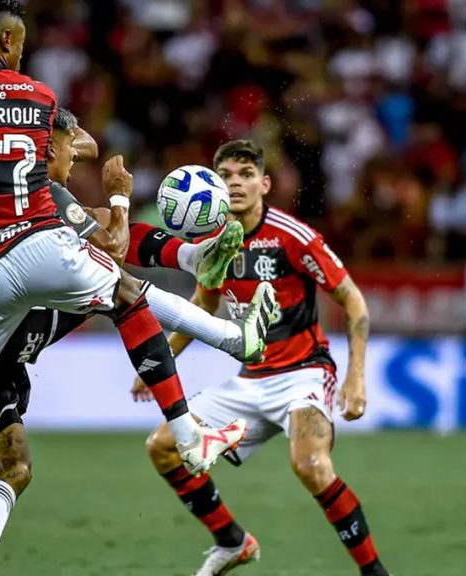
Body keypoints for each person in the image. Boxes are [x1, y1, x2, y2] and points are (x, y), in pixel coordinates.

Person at [0, 1, 252, 573]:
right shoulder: (39, 98)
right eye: (17, 41)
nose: (22, 49)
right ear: (5, 43)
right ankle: (199, 407)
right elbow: (91, 172)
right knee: (124, 291)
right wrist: (119, 190)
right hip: (35, 245)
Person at [138, 140, 390, 576]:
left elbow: (353, 301)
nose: (236, 183)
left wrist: (356, 378)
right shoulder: (214, 244)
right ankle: (232, 542)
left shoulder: (293, 237)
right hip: (250, 378)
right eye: (227, 176)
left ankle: (375, 573)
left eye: (246, 174)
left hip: (304, 373)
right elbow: (203, 304)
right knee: (163, 447)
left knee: (310, 465)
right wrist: (162, 357)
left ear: (264, 184)